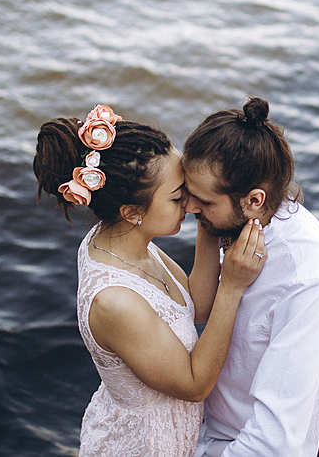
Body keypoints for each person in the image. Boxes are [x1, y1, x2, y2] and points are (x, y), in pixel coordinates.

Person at [33, 104, 266, 457]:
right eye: (178, 197)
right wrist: (232, 287)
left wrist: (210, 223)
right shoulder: (115, 301)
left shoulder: (122, 240)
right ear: (132, 211)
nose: (189, 204)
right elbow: (193, 384)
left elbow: (195, 306)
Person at [182, 97, 319, 457]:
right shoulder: (234, 225)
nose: (189, 208)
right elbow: (196, 315)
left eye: (203, 202)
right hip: (194, 432)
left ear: (254, 200)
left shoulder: (307, 277)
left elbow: (274, 442)